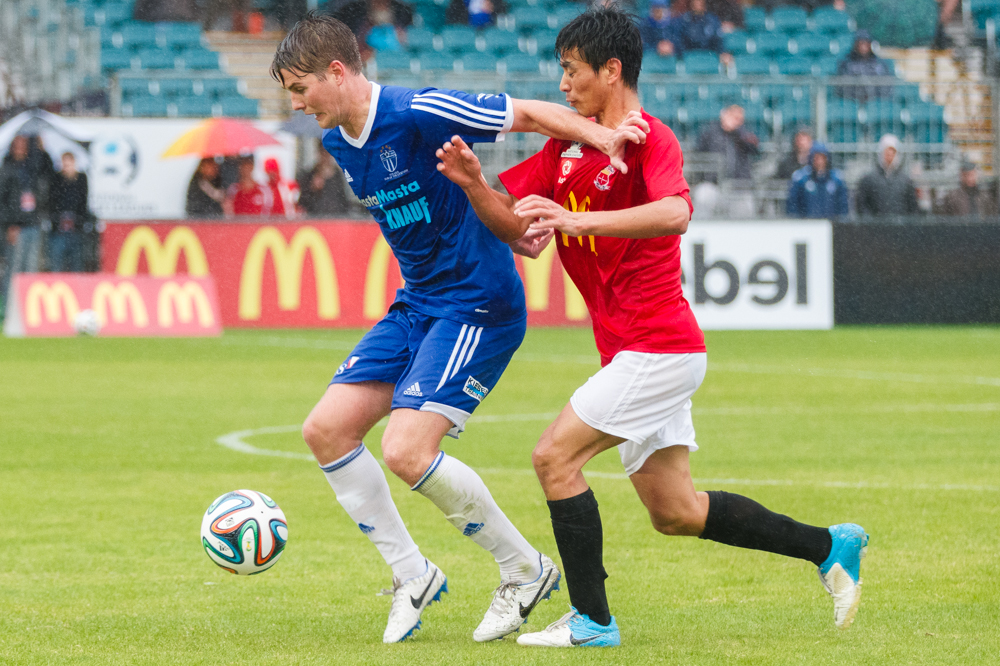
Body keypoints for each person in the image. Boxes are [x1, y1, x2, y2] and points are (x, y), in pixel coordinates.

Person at [435, 6, 870, 648]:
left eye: (571, 70)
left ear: (611, 71)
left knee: (554, 458)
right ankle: (830, 546)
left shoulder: (651, 139)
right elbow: (523, 235)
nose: (563, 84)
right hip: (631, 353)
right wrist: (475, 184)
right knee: (677, 513)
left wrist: (577, 222)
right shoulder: (565, 145)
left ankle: (592, 622)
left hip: (658, 345)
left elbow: (674, 213)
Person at [269, 12, 647, 644]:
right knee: (326, 430)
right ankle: (411, 574)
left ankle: (524, 571)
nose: (296, 103)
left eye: (299, 88)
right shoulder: (338, 141)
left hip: (477, 303)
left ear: (337, 72)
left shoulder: (417, 110)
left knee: (405, 450)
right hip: (419, 304)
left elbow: (524, 112)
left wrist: (600, 137)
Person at [693, 104, 759, 218]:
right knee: (703, 196)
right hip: (713, 183)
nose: (736, 121)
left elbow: (755, 150)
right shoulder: (711, 133)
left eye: (739, 118)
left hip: (738, 185)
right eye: (734, 116)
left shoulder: (744, 134)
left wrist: (737, 133)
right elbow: (699, 153)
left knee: (746, 209)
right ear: (724, 115)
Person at [0, 135, 45, 300]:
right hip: (16, 227)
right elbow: (3, 202)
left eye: (23, 145)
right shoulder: (7, 169)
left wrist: (41, 146)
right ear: (12, 147)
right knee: (13, 269)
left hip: (33, 224)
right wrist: (10, 225)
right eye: (17, 145)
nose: (20, 148)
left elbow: (47, 168)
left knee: (31, 269)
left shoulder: (31, 167)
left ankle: (28, 307)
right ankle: (8, 307)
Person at [856, 134, 920, 217]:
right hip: (876, 227)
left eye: (893, 153)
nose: (889, 156)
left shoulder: (906, 181)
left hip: (899, 227)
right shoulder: (868, 179)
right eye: (886, 152)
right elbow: (862, 205)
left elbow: (912, 207)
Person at [47, 152, 90, 272]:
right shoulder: (57, 179)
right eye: (64, 164)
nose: (66, 167)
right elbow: (53, 200)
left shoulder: (81, 178)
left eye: (68, 164)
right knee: (56, 262)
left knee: (77, 263)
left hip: (76, 227)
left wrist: (79, 219)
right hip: (59, 227)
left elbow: (83, 201)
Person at [786, 142, 849, 219]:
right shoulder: (801, 179)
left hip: (831, 223)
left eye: (822, 158)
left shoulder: (836, 179)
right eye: (816, 158)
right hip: (807, 225)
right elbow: (793, 205)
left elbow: (843, 206)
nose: (819, 162)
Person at [659, 0, 732, 65]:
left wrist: (722, 52)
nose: (697, 3)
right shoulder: (684, 20)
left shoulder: (712, 20)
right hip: (688, 58)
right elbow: (678, 39)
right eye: (695, 1)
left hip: (709, 58)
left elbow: (718, 40)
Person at [836, 30, 893, 103]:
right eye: (860, 43)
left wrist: (873, 96)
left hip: (875, 102)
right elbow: (842, 87)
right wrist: (858, 96)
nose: (863, 46)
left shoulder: (879, 64)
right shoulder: (846, 63)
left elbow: (886, 86)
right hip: (852, 102)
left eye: (865, 42)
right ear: (855, 45)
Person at [297, 149, 351, 217]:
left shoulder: (338, 175)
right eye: (323, 153)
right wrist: (312, 189)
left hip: (336, 218)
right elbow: (303, 202)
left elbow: (343, 200)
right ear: (319, 154)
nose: (326, 156)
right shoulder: (311, 175)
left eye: (328, 153)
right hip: (316, 218)